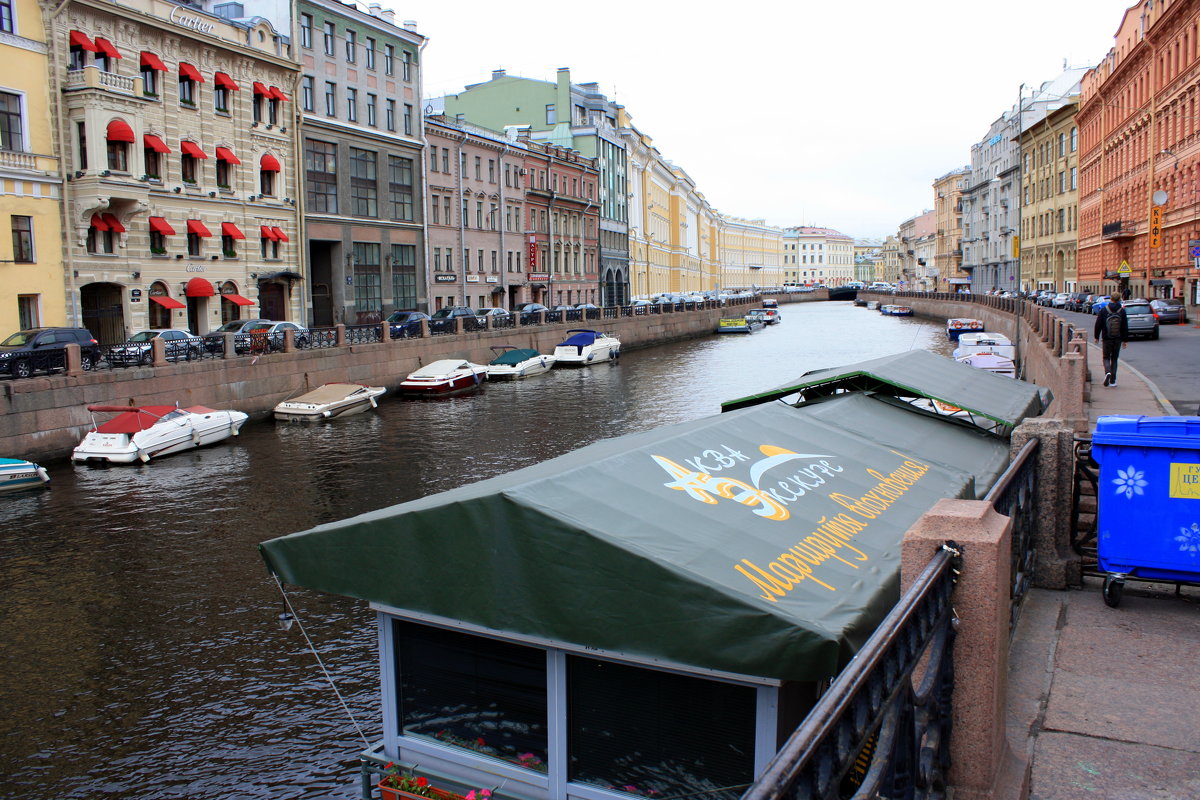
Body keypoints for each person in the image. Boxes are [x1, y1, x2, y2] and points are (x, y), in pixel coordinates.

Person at [1094, 298, 1128, 387]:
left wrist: (1096, 337)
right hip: (1118, 338)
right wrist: (1125, 340)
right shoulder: (1122, 311)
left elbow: (1098, 324)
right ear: (1118, 299)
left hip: (1106, 338)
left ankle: (1107, 372)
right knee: (1114, 359)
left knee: (1106, 357)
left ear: (1111, 299)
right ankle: (1113, 381)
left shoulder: (1104, 310)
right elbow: (1125, 326)